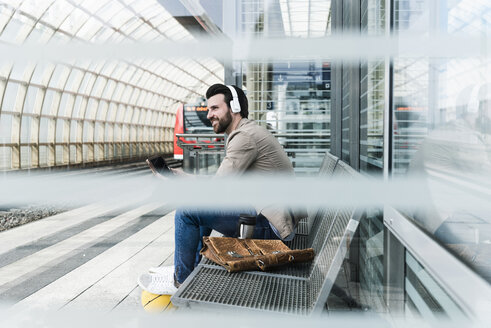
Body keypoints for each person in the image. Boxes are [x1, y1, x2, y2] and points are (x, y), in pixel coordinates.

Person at [138, 84, 307, 295]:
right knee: (198, 211)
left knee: (187, 212)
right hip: (272, 217)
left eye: (215, 108)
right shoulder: (249, 131)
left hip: (273, 228)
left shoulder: (244, 137)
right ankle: (190, 269)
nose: (209, 115)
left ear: (234, 107)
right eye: (208, 109)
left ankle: (181, 282)